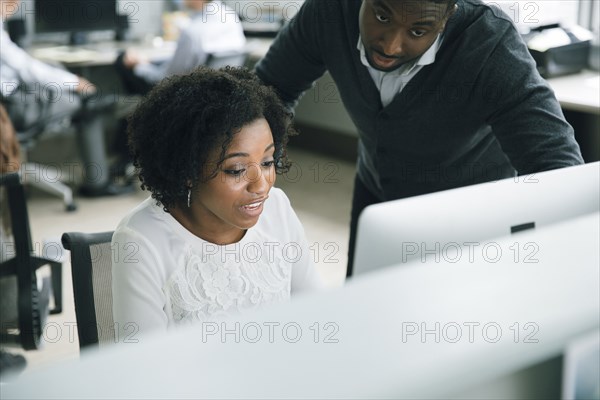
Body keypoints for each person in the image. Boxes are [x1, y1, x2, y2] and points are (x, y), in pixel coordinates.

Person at [253, 0, 584, 277]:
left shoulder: (490, 44)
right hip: (376, 196)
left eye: (418, 31)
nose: (390, 45)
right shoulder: (331, 11)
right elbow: (266, 93)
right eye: (382, 16)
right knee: (365, 313)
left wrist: (542, 264)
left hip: (467, 218)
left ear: (448, 14)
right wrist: (252, 174)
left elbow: (557, 168)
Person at [111, 66, 323, 339]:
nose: (261, 185)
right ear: (186, 170)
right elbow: (143, 367)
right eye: (236, 170)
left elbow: (316, 312)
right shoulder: (141, 239)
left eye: (268, 162)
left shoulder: (277, 209)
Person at [0, 0, 133, 196]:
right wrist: (75, 82)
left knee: (58, 72)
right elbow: (28, 70)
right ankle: (98, 185)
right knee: (89, 104)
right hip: (14, 109)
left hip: (12, 101)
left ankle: (108, 101)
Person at [114, 0, 246, 96]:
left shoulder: (192, 31)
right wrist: (150, 61)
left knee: (122, 60)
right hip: (216, 95)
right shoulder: (230, 17)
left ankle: (133, 122)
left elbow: (167, 79)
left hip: (181, 96)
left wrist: (139, 65)